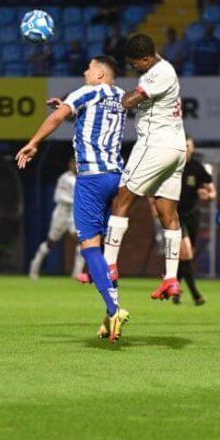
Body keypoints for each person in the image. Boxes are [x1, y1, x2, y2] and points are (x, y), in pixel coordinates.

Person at [15, 55, 129, 342]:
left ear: (101, 74)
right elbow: (94, 117)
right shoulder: (120, 96)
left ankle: (115, 309)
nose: (84, 72)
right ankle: (109, 311)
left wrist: (32, 143)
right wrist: (71, 107)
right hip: (117, 177)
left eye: (89, 69)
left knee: (89, 247)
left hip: (91, 179)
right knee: (104, 253)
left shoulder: (84, 92)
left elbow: (56, 118)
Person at [99, 33, 187, 301]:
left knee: (123, 198)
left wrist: (103, 98)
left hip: (155, 144)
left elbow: (129, 101)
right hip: (177, 147)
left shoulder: (158, 73)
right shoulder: (161, 69)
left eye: (135, 62)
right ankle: (171, 278)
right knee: (167, 212)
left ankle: (108, 264)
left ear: (147, 58)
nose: (133, 67)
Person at [171, 137, 216, 305]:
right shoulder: (171, 166)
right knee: (186, 252)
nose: (184, 148)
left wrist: (207, 195)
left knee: (186, 257)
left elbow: (213, 193)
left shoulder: (198, 168)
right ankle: (196, 295)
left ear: (192, 148)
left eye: (187, 145)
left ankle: (175, 290)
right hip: (175, 216)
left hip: (193, 216)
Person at [28, 158, 84, 280]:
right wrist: (76, 201)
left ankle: (77, 273)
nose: (75, 165)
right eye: (73, 163)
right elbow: (59, 196)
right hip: (62, 213)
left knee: (81, 241)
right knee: (51, 242)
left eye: (78, 163)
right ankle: (35, 265)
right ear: (69, 164)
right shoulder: (64, 178)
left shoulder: (84, 178)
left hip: (76, 214)